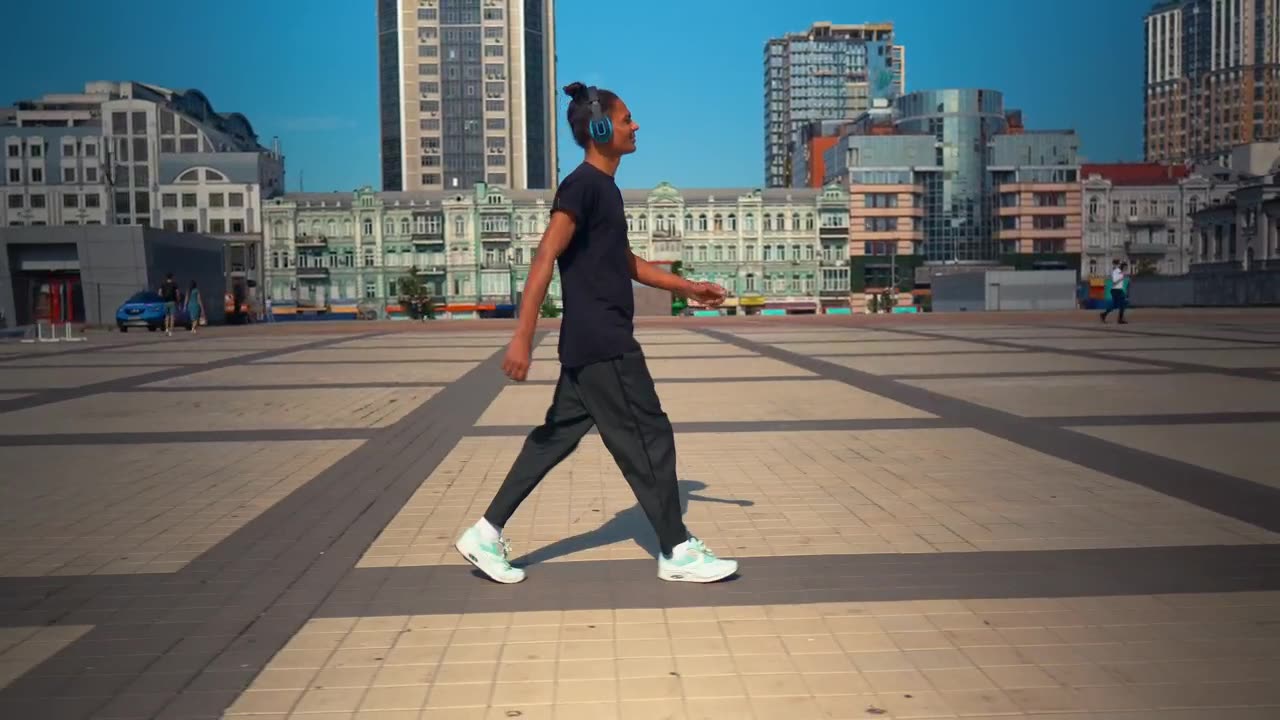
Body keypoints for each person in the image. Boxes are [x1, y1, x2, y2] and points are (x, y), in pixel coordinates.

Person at [455, 81, 739, 585]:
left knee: (553, 439)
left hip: (590, 344)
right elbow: (545, 257)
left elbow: (624, 262)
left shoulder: (603, 190)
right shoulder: (583, 186)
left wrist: (687, 286)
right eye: (628, 119)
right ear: (602, 128)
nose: (635, 127)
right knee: (649, 436)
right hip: (603, 342)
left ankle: (484, 532)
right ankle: (676, 549)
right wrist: (522, 337)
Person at [1100, 260, 1129, 324]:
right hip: (1116, 290)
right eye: (1125, 268)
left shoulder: (1121, 273)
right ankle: (1120, 319)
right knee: (1122, 304)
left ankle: (1104, 315)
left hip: (1119, 290)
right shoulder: (1116, 272)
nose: (1126, 269)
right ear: (1122, 267)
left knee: (1115, 305)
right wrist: (1121, 278)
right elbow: (1114, 282)